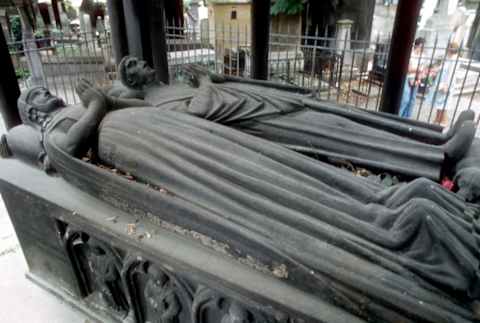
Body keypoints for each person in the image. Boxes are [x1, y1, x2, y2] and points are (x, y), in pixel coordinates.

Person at [1, 82, 480, 323]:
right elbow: (72, 151)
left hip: (171, 134)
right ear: (31, 114)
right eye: (35, 99)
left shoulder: (85, 106)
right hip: (148, 154)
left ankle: (409, 214)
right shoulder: (55, 130)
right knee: (235, 183)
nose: (43, 97)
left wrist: (111, 100)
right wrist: (98, 104)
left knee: (251, 165)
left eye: (43, 93)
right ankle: (403, 232)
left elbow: (139, 104)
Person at [113, 57, 476, 181]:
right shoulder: (156, 104)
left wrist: (214, 80)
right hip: (255, 123)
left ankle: (431, 139)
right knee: (339, 134)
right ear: (131, 81)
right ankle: (436, 159)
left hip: (256, 101)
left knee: (345, 115)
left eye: (138, 61)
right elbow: (197, 113)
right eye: (132, 67)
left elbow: (213, 91)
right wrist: (207, 82)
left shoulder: (173, 82)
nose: (141, 65)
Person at [428, 42, 460, 125]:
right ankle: (437, 120)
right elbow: (441, 68)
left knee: (443, 104)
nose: (447, 49)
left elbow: (451, 74)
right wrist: (434, 70)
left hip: (445, 83)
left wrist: (446, 85)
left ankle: (442, 122)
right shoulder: (447, 58)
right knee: (439, 103)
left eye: (448, 48)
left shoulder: (454, 59)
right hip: (440, 82)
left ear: (451, 49)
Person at [399, 37, 426, 118]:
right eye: (422, 46)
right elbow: (407, 69)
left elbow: (422, 70)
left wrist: (418, 80)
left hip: (416, 78)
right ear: (418, 45)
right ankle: (399, 116)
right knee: (405, 100)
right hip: (407, 77)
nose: (423, 48)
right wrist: (418, 70)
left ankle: (407, 118)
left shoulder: (423, 56)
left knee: (412, 101)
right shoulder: (411, 54)